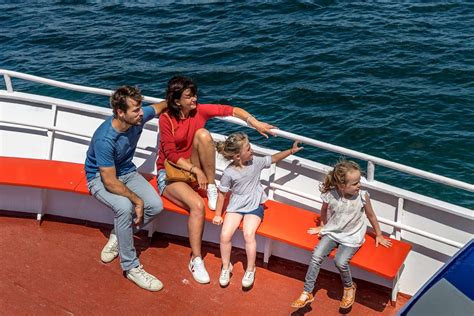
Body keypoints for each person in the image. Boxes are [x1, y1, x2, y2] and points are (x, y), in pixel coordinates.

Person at [156, 76, 276, 284]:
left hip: (194, 173)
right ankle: (196, 259)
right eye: (189, 96)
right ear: (177, 101)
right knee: (197, 206)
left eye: (194, 94)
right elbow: (170, 154)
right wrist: (196, 170)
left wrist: (255, 123)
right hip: (170, 174)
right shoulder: (166, 119)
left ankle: (211, 186)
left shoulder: (199, 111)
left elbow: (231, 110)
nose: (195, 99)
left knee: (203, 134)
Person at [85, 86, 167, 292]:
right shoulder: (106, 139)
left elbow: (160, 107)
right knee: (124, 206)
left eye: (140, 108)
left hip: (127, 172)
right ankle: (130, 266)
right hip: (99, 178)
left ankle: (119, 234)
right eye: (136, 110)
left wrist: (176, 103)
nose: (142, 113)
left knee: (156, 206)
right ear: (120, 113)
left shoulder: (138, 118)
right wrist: (137, 201)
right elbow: (110, 181)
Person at [290, 160, 392, 309]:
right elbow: (324, 209)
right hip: (333, 232)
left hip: (352, 236)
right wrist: (323, 226)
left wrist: (379, 235)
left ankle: (349, 287)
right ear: (342, 186)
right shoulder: (330, 195)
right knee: (316, 255)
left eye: (359, 181)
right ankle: (307, 292)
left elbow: (371, 216)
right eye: (355, 183)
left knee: (340, 261)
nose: (359, 185)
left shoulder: (362, 196)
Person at [212, 132, 303, 288]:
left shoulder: (256, 162)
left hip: (255, 205)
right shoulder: (229, 172)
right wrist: (218, 215)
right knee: (225, 235)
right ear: (237, 156)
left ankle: (250, 269)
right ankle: (226, 267)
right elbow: (222, 194)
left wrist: (291, 151)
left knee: (249, 234)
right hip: (236, 206)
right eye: (248, 149)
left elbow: (273, 159)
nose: (252, 150)